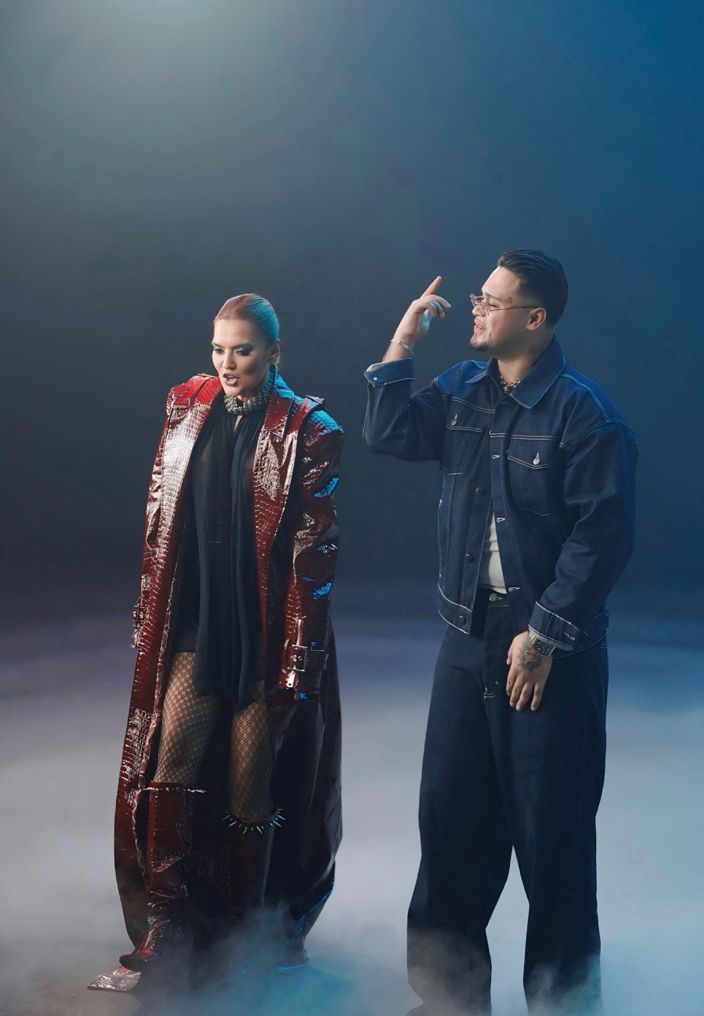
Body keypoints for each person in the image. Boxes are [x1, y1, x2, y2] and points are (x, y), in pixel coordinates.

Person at [363, 251, 637, 1015]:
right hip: (466, 644)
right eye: (479, 296)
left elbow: (602, 539)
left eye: (492, 300)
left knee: (554, 849)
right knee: (449, 832)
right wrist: (403, 342)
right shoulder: (462, 389)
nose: (476, 309)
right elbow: (387, 431)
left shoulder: (586, 416)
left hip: (548, 658)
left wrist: (543, 635)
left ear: (535, 318)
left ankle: (563, 1005)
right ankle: (448, 1003)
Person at [92, 293, 343, 992]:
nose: (228, 364)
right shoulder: (186, 406)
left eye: (243, 351)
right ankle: (167, 928)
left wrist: (299, 657)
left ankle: (245, 935)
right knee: (169, 761)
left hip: (263, 636)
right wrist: (149, 612)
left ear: (274, 353)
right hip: (197, 625)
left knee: (248, 786)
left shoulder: (309, 430)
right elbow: (158, 517)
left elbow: (314, 554)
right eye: (218, 349)